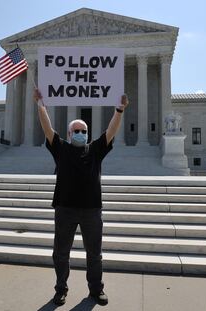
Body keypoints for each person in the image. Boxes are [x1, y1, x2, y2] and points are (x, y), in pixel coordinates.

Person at [33, 88, 129, 306]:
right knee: (61, 254)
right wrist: (40, 105)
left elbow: (111, 131)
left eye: (83, 130)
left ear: (88, 133)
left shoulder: (95, 149)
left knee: (95, 254)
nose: (80, 133)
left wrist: (120, 110)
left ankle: (96, 290)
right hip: (65, 208)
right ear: (69, 134)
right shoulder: (61, 149)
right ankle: (60, 290)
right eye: (76, 130)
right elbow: (47, 128)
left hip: (91, 210)